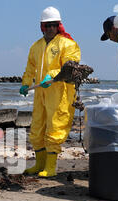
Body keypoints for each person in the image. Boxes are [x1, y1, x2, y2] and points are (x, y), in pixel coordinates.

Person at [20, 7, 81, 177]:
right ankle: (39, 165)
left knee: (55, 127)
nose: (50, 28)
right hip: (40, 92)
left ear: (58, 25)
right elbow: (30, 68)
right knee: (37, 128)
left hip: (59, 92)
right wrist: (25, 83)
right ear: (42, 27)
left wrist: (52, 75)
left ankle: (51, 167)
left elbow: (70, 65)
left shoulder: (67, 44)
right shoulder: (36, 46)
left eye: (53, 25)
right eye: (47, 25)